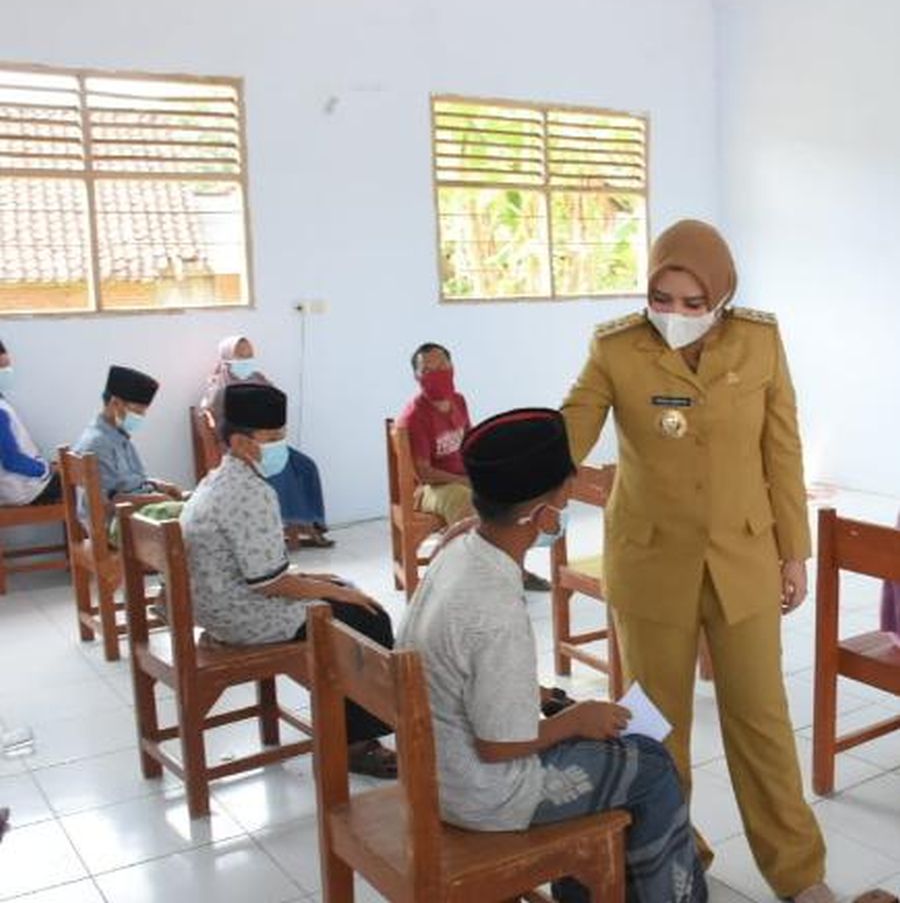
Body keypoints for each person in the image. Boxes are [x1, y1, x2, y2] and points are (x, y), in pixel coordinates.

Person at [560, 219, 831, 902]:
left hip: (743, 557)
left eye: (691, 301)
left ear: (721, 295)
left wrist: (793, 550)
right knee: (656, 728)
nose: (675, 315)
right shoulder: (616, 347)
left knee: (762, 721)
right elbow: (570, 426)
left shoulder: (760, 340)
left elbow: (782, 450)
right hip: (651, 562)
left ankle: (797, 873)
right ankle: (675, 858)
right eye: (662, 298)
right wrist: (506, 488)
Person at [397, 408, 707, 903]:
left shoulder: (458, 548)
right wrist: (575, 719)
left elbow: (462, 672)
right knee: (652, 766)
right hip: (482, 792)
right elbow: (498, 746)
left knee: (628, 747)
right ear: (549, 509)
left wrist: (539, 697)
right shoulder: (494, 606)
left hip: (436, 771)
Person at [181, 382, 396, 778]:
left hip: (216, 606)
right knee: (366, 619)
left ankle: (359, 723)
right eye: (273, 437)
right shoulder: (250, 492)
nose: (281, 444)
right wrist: (333, 592)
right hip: (242, 616)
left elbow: (258, 566)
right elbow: (268, 583)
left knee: (345, 595)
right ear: (243, 442)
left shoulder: (217, 479)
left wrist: (320, 580)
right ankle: (358, 743)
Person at [397, 342, 549, 592]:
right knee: (468, 500)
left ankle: (514, 570)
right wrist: (463, 481)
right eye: (428, 369)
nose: (437, 372)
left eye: (442, 365)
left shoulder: (458, 401)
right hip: (432, 488)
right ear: (417, 377)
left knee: (515, 492)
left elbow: (471, 443)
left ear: (452, 367)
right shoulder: (415, 415)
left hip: (462, 478)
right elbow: (423, 472)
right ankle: (477, 576)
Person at [200, 335, 332, 549]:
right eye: (240, 356)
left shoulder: (259, 379)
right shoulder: (219, 387)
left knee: (306, 466)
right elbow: (214, 421)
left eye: (249, 356)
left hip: (269, 443)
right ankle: (285, 527)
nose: (246, 361)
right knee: (280, 471)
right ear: (226, 358)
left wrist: (274, 437)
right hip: (242, 449)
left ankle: (312, 523)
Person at [73, 365, 182, 516]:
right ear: (115, 403)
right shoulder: (98, 444)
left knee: (194, 502)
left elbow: (126, 484)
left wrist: (157, 486)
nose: (141, 417)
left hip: (132, 514)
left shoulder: (117, 436)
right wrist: (155, 499)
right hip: (119, 523)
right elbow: (107, 503)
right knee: (193, 518)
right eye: (137, 411)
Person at [0, 340, 60, 506]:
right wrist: (47, 468)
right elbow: (11, 460)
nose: (6, 372)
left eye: (7, 367)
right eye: (2, 368)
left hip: (18, 484)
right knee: (81, 486)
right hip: (22, 488)